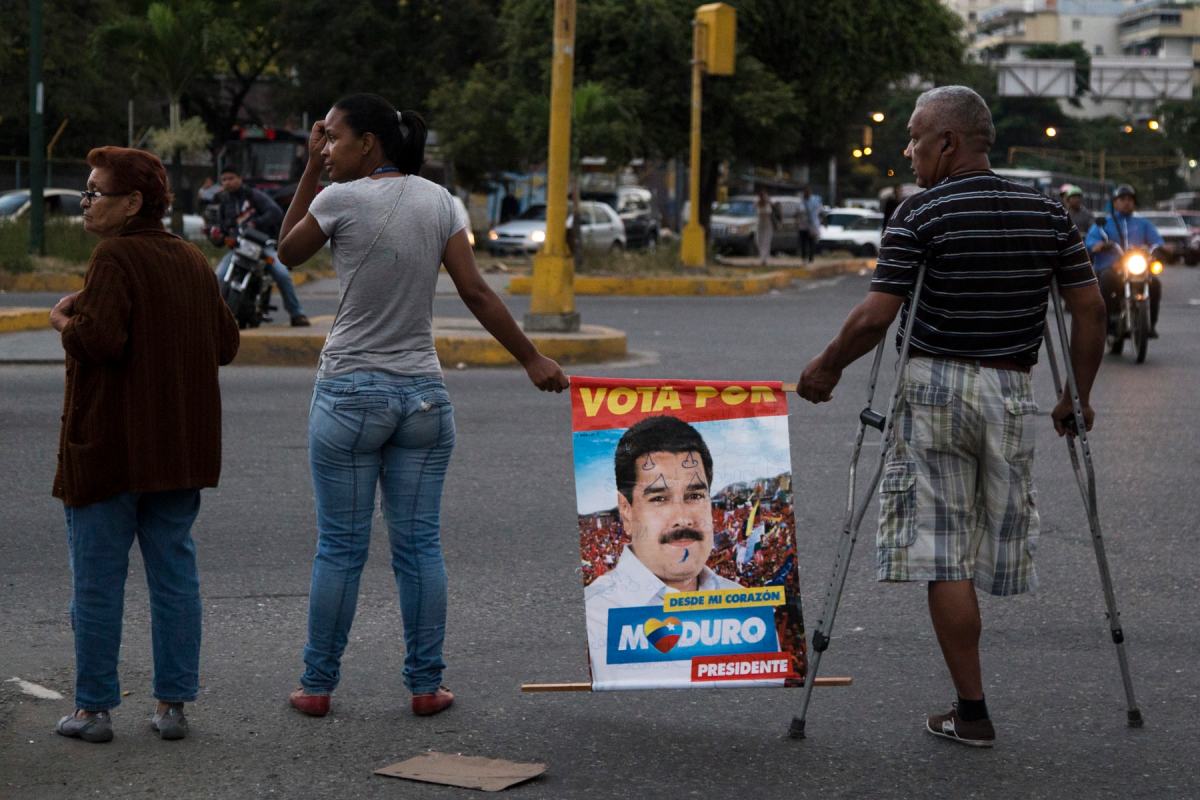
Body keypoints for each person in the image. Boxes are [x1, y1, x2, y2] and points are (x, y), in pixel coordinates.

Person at [797, 86, 1106, 748]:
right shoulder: (1048, 213)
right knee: (990, 539)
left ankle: (973, 709)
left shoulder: (920, 213)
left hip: (934, 386)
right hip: (1011, 389)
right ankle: (969, 706)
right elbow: (1089, 309)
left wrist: (826, 367)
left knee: (943, 555)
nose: (907, 150)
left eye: (915, 137)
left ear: (948, 142)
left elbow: (877, 316)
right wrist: (1075, 396)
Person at [276, 93, 569, 719]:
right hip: (423, 399)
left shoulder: (337, 199)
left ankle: (317, 685)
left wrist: (306, 172)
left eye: (333, 138)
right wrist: (532, 359)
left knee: (341, 549)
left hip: (350, 394)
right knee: (419, 548)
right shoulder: (440, 202)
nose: (325, 150)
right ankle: (426, 685)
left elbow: (287, 252)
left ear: (368, 144)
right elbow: (476, 292)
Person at [49, 146, 240, 744]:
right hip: (178, 452)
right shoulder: (191, 258)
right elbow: (226, 343)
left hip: (110, 451)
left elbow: (100, 341)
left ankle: (93, 711)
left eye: (95, 192)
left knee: (97, 583)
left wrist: (65, 322)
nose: (86, 203)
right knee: (174, 579)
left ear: (132, 202)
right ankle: (172, 706)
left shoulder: (114, 256)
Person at [584, 415, 741, 686]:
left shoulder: (745, 606)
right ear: (626, 511)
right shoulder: (591, 615)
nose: (682, 518)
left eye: (694, 496)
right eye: (659, 499)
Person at [213, 166, 310, 326]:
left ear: (240, 179)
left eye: (231, 178)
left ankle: (297, 313)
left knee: (282, 274)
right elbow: (222, 229)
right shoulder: (224, 203)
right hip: (238, 248)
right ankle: (216, 317)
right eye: (224, 180)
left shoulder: (254, 195)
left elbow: (275, 212)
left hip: (262, 247)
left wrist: (255, 223)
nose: (227, 182)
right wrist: (217, 236)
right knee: (218, 276)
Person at [1084, 184, 1163, 337]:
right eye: (1122, 199)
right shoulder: (1103, 223)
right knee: (1106, 279)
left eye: (1130, 199)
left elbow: (1157, 241)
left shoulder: (1143, 224)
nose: (1127, 202)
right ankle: (1108, 322)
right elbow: (1091, 241)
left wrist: (1161, 247)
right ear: (1115, 203)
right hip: (1111, 267)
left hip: (1136, 268)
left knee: (1155, 284)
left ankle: (1150, 325)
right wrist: (1098, 245)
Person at [802, 185, 823, 262]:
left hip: (813, 224)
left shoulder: (815, 200)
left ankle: (811, 257)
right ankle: (804, 257)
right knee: (804, 242)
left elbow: (820, 212)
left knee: (811, 242)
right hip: (803, 225)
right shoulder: (802, 201)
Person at [755, 187, 775, 264]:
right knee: (758, 240)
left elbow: (774, 208)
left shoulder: (769, 203)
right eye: (761, 195)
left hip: (768, 225)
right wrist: (760, 202)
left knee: (766, 241)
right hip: (760, 224)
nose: (763, 197)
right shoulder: (758, 203)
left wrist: (768, 201)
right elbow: (755, 208)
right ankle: (762, 256)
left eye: (764, 195)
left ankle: (764, 259)